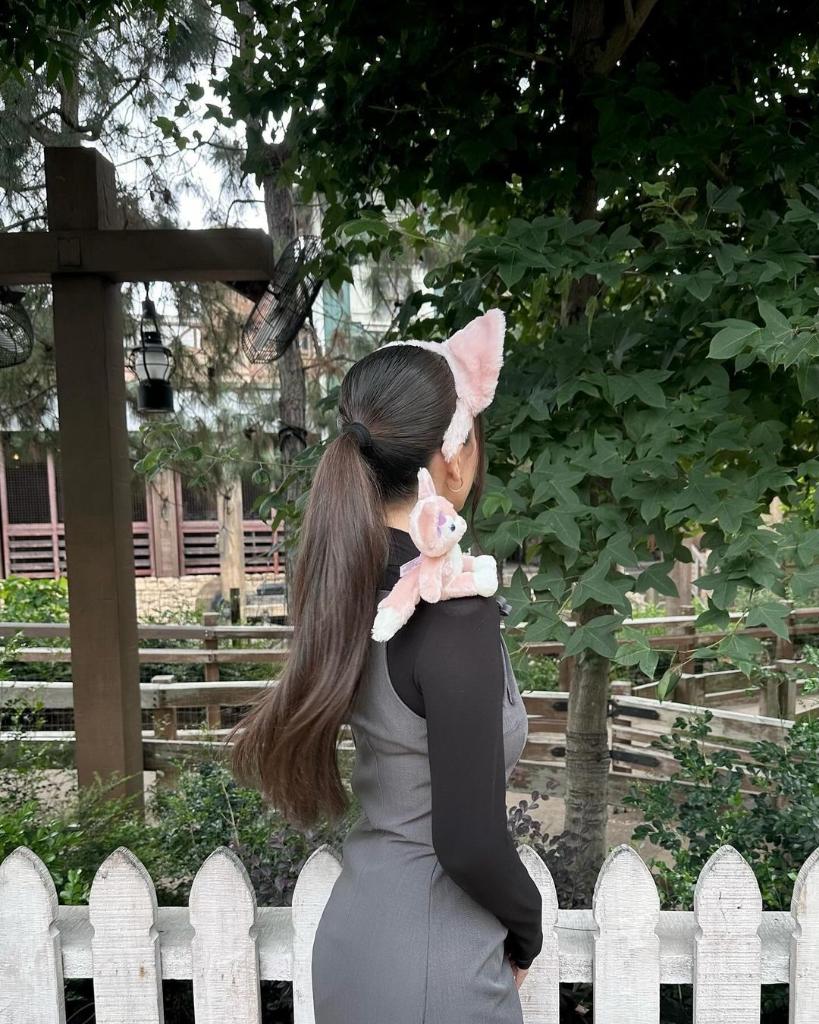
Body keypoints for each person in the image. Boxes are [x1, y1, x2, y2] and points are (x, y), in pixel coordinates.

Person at [228, 309, 543, 1023]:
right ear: (454, 455)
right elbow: (467, 842)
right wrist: (527, 929)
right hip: (435, 959)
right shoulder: (450, 612)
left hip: (359, 938)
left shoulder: (351, 586)